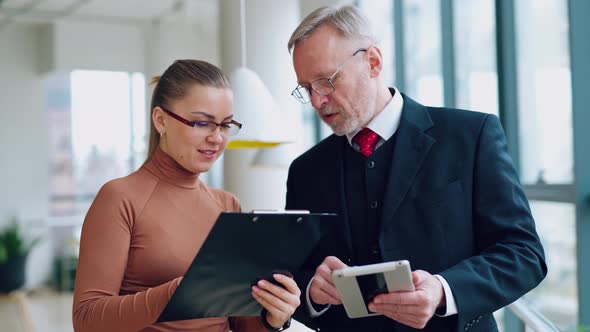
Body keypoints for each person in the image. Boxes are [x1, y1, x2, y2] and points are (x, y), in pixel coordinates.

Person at [285, 6, 546, 332]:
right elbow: (293, 273)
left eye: (325, 81)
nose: (316, 101)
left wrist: (443, 290)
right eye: (306, 88)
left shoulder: (471, 136)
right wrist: (313, 290)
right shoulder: (305, 170)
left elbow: (524, 255)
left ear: (373, 62)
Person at [73, 59, 300, 332]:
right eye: (202, 123)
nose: (217, 138)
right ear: (161, 120)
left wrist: (272, 316)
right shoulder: (119, 198)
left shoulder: (227, 204)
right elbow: (87, 321)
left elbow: (239, 323)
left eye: (226, 125)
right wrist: (181, 292)